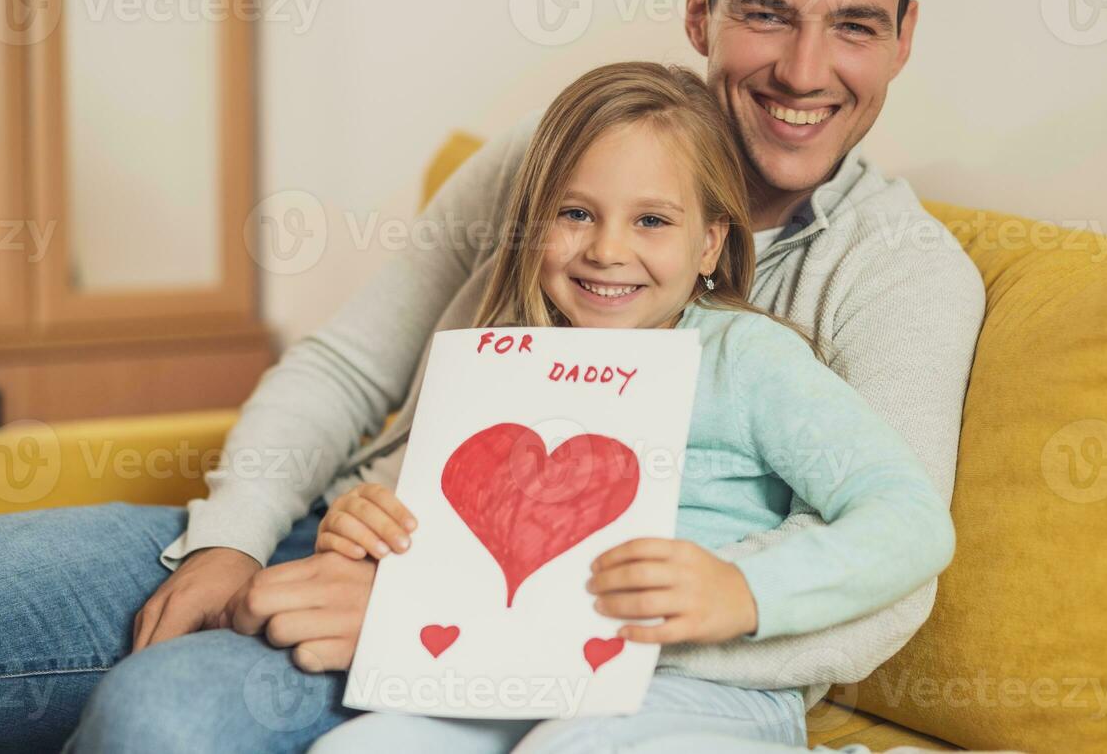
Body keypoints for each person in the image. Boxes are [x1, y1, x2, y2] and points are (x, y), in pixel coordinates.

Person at [0, 0, 984, 754]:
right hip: (346, 533)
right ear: (700, 9)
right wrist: (231, 532)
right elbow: (346, 363)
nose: (802, 68)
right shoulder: (546, 152)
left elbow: (891, 570)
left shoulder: (895, 280)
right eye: (766, 12)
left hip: (534, 627)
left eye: (853, 24)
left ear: (905, 41)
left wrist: (471, 615)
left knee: (160, 712)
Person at [300, 61, 955, 751]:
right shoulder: (499, 366)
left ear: (709, 243)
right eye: (576, 213)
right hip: (504, 671)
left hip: (705, 692)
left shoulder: (747, 362)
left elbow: (910, 518)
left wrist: (742, 588)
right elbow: (455, 547)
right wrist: (369, 535)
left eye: (651, 220)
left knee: (576, 748)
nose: (608, 250)